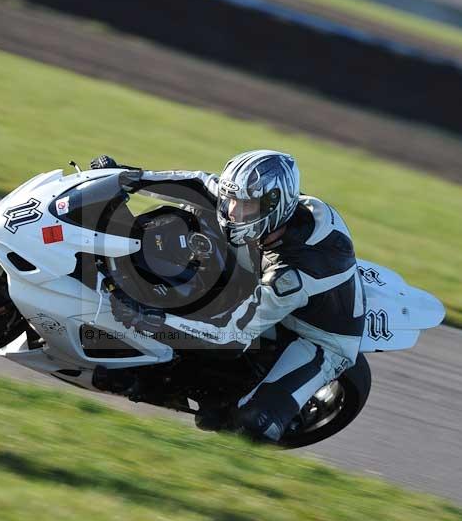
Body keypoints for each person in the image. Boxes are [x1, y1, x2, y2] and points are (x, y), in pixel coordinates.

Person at [92, 150, 365, 442]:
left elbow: (229, 336)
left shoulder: (291, 275)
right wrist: (129, 178)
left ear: (273, 206)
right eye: (231, 201)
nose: (232, 213)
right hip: (262, 274)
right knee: (196, 222)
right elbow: (200, 184)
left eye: (243, 207)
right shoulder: (271, 213)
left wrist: (152, 319)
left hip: (319, 339)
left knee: (250, 425)